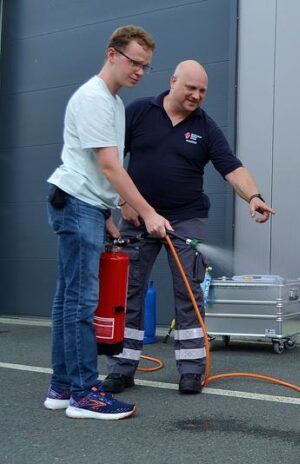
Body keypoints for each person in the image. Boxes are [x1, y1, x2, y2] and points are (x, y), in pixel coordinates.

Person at [103, 60, 275, 394]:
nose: (196, 95)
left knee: (189, 293)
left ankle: (191, 369)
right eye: (190, 88)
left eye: (202, 91)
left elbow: (232, 167)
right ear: (173, 81)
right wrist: (123, 202)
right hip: (138, 217)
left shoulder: (206, 128)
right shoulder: (139, 112)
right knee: (129, 291)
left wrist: (253, 196)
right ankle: (121, 368)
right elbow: (110, 159)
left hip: (186, 219)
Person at [44, 25, 172, 420]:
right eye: (134, 62)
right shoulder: (95, 99)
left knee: (68, 299)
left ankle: (62, 387)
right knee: (81, 302)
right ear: (112, 54)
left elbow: (100, 171)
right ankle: (85, 394)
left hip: (85, 206)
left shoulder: (114, 103)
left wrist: (110, 213)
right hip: (76, 203)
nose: (139, 71)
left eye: (146, 66)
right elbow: (109, 165)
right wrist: (146, 210)